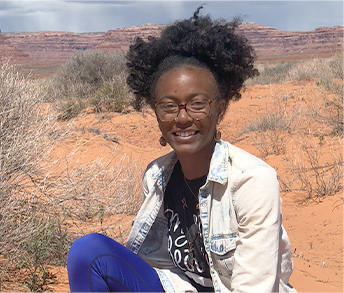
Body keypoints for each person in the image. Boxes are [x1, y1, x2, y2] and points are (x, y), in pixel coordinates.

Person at [67, 6, 296, 293]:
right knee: (88, 252)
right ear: (156, 113)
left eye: (198, 103)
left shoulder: (252, 181)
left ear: (219, 109)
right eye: (169, 106)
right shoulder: (157, 177)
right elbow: (155, 265)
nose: (183, 117)